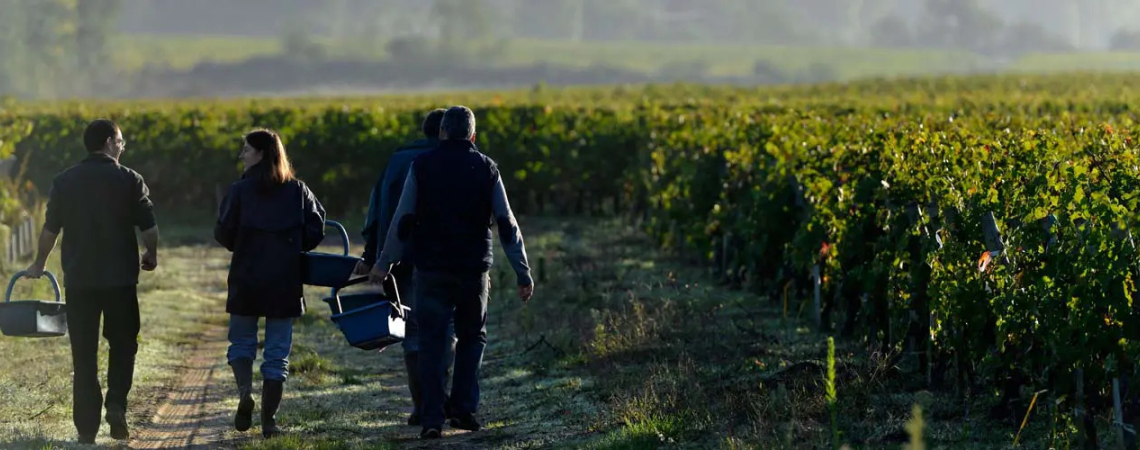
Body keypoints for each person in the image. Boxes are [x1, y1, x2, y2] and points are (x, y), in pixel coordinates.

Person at [373, 105, 535, 439]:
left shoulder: (422, 165)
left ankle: (432, 416)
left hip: (430, 268)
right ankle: (463, 410)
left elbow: (403, 221)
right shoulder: (487, 168)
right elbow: (506, 223)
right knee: (472, 337)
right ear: (473, 136)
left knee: (432, 342)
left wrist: (384, 262)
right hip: (473, 268)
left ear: (442, 133)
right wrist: (522, 270)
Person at [26, 118, 159, 444]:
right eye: (121, 142)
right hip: (120, 281)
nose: (122, 147)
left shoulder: (65, 181)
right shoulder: (129, 179)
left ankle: (86, 429)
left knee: (83, 354)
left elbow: (50, 231)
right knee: (124, 345)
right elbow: (149, 227)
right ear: (110, 141)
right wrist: (151, 255)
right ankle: (116, 404)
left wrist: (39, 264)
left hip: (80, 281)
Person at [215, 129, 326, 438]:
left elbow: (223, 234)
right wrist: (292, 245)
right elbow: (317, 229)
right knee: (277, 353)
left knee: (241, 343)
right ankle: (269, 421)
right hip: (284, 280)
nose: (242, 155)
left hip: (246, 278)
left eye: (246, 150)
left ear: (261, 153)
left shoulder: (239, 191)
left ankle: (244, 393)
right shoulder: (297, 190)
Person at [356, 108, 457, 426]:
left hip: (401, 259)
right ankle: (438, 399)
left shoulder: (397, 161)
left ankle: (422, 405)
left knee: (412, 332)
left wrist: (374, 256)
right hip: (446, 259)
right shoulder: (455, 160)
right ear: (445, 131)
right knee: (446, 330)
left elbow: (376, 211)